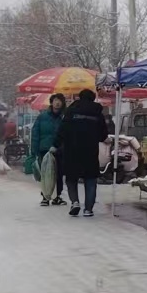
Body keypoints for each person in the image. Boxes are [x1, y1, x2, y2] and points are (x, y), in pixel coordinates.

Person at [57, 88, 109, 217]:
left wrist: (56, 144)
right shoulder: (98, 113)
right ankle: (88, 209)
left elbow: (62, 130)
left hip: (72, 151)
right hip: (90, 151)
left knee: (71, 179)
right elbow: (103, 135)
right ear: (93, 98)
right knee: (90, 179)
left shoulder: (71, 110)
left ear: (79, 97)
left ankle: (75, 202)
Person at [30, 94, 68, 207]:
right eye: (56, 100)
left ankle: (57, 196)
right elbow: (35, 133)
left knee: (59, 174)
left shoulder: (65, 117)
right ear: (51, 102)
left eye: (60, 101)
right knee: (46, 174)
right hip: (45, 149)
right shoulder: (42, 117)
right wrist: (35, 150)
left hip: (60, 150)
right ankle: (45, 197)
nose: (57, 103)